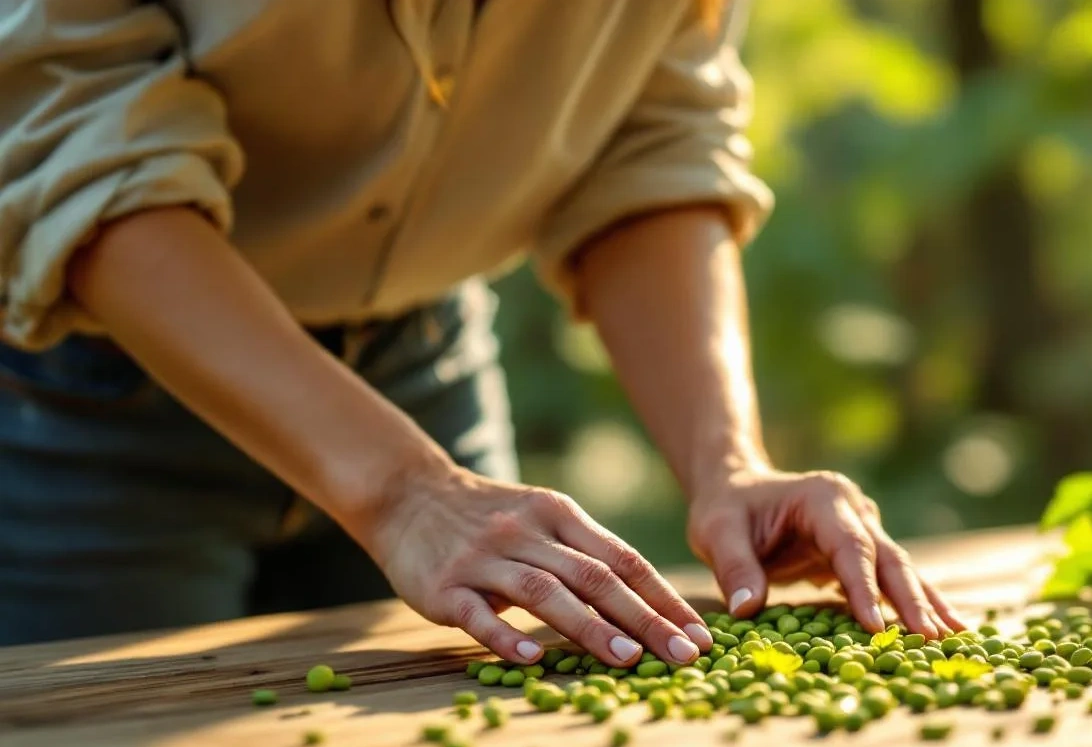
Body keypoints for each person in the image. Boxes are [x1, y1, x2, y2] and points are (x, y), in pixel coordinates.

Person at [0, 0, 964, 663]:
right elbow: (73, 140)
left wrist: (730, 464)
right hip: (74, 391)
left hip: (424, 365)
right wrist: (404, 492)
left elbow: (651, 135)